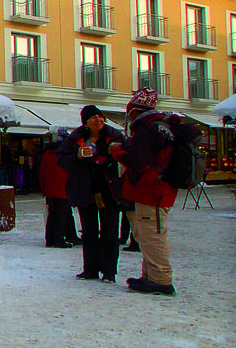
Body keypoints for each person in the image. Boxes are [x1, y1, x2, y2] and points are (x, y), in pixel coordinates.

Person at [109, 88, 178, 296]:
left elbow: (138, 161)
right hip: (156, 191)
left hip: (152, 191)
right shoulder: (160, 128)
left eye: (129, 112)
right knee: (148, 236)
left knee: (153, 235)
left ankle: (161, 280)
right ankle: (150, 276)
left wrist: (117, 152)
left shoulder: (149, 130)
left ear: (136, 111)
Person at [56, 105, 126, 283]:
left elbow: (127, 156)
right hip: (85, 191)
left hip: (109, 191)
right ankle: (90, 270)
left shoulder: (116, 136)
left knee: (110, 231)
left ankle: (109, 272)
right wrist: (77, 157)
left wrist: (110, 157)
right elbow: (62, 160)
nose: (98, 120)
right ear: (85, 122)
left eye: (100, 116)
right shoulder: (75, 138)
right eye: (93, 117)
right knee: (89, 231)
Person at [39, 130, 73, 248]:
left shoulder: (47, 153)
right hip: (63, 190)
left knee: (52, 215)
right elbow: (69, 172)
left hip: (49, 190)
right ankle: (59, 240)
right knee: (61, 216)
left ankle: (49, 239)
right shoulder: (65, 154)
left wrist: (43, 188)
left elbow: (42, 172)